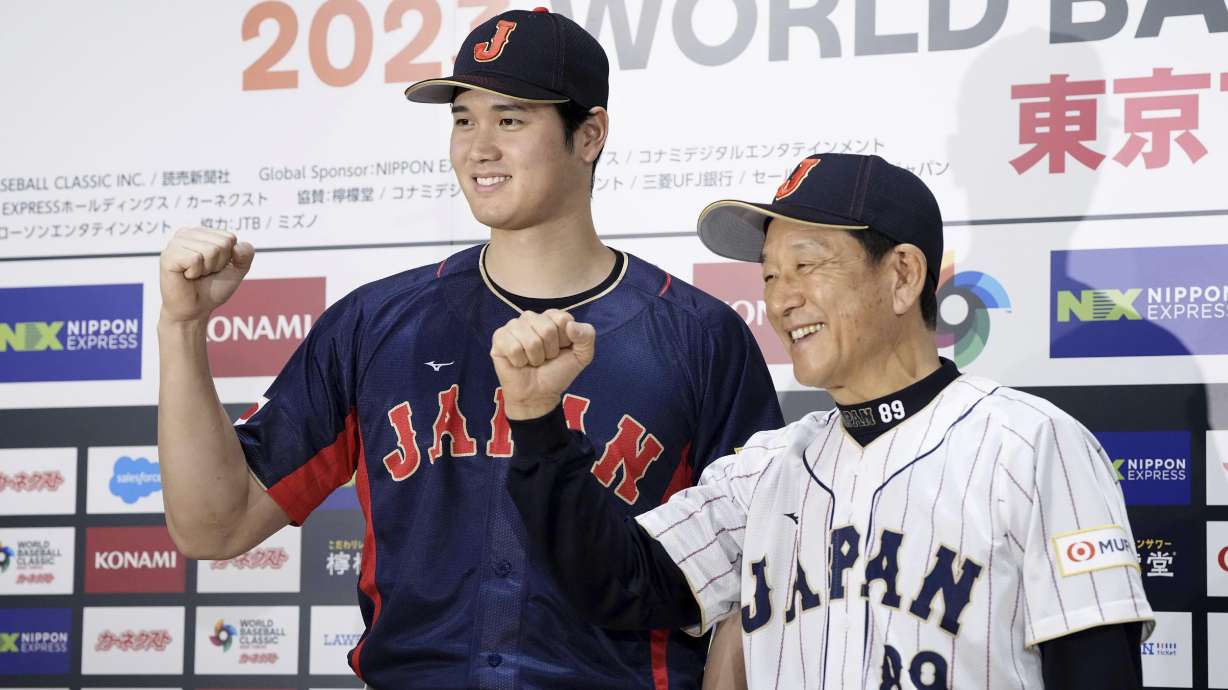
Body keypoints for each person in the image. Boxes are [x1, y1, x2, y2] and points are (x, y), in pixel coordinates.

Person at [156, 8, 781, 689]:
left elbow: (753, 576)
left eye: (510, 120)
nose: (478, 146)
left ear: (590, 135)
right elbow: (214, 528)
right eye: (463, 119)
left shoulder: (698, 336)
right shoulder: (375, 323)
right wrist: (182, 330)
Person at [495, 153, 1156, 689]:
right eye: (770, 273)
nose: (781, 298)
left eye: (806, 265)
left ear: (902, 276)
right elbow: (616, 581)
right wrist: (537, 421)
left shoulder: (1031, 446)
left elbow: (1097, 670)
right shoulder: (766, 470)